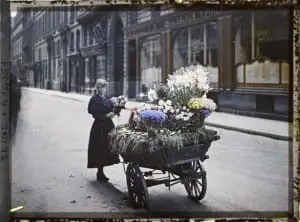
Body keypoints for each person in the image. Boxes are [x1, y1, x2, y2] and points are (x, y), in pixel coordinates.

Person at [87, 79, 120, 182]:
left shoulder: (106, 98)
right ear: (97, 88)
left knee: (108, 147)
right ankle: (100, 172)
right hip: (99, 127)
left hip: (108, 126)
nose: (103, 89)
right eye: (101, 87)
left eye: (104, 87)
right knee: (100, 148)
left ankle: (102, 171)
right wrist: (105, 116)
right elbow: (93, 113)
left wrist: (116, 110)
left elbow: (112, 108)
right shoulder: (94, 99)